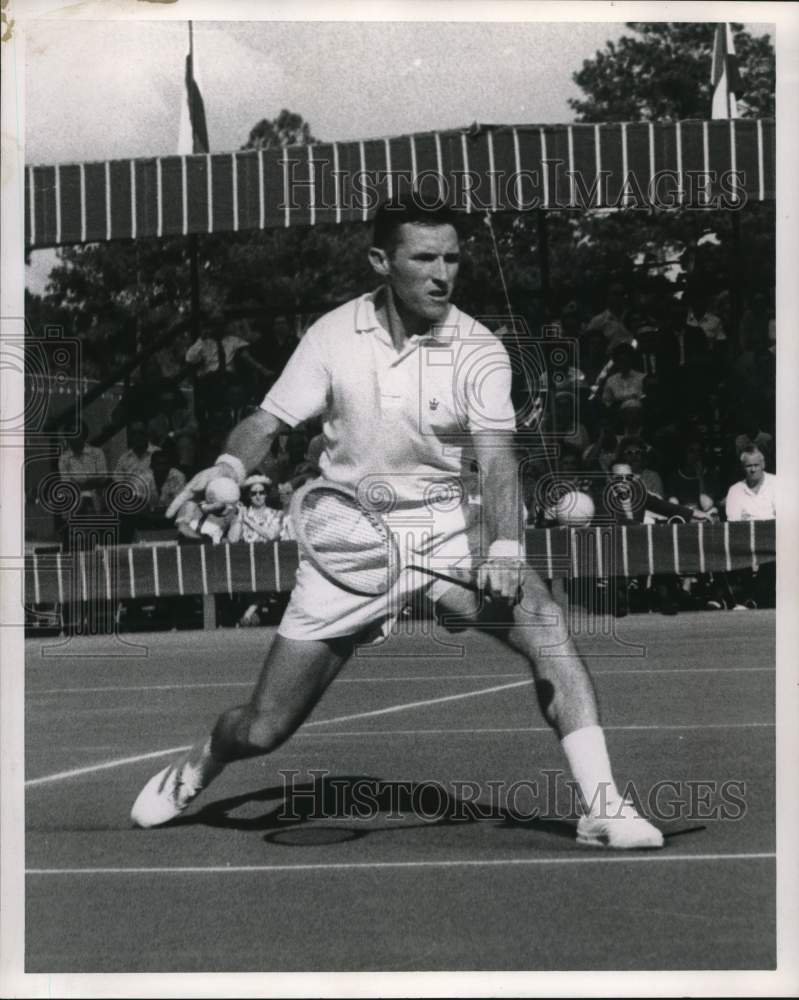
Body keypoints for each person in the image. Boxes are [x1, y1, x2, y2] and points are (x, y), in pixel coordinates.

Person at [130, 198, 663, 849]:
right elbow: (265, 423)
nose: (443, 273)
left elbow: (496, 462)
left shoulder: (478, 349)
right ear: (382, 262)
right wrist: (225, 472)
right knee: (263, 729)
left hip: (447, 531)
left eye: (452, 258)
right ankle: (203, 760)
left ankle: (602, 807)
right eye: (424, 258)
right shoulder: (330, 336)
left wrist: (502, 545)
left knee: (545, 623)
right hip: (349, 544)